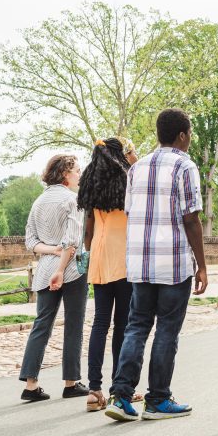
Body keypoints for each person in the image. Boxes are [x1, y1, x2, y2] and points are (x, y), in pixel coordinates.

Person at [105, 108, 208, 422]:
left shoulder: (138, 167)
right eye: (189, 134)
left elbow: (130, 211)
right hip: (173, 262)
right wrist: (202, 265)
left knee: (137, 326)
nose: (190, 139)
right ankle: (158, 399)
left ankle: (120, 396)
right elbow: (191, 218)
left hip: (140, 260)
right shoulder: (184, 165)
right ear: (181, 135)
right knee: (166, 330)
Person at [77, 136, 142, 412]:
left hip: (100, 256)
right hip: (124, 255)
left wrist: (89, 251)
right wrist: (133, 156)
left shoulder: (91, 182)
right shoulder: (128, 180)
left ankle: (94, 389)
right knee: (123, 324)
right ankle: (120, 385)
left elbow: (88, 229)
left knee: (100, 322)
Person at [19, 154, 89, 402]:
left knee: (41, 325)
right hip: (70, 270)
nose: (80, 175)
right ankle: (71, 382)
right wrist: (61, 265)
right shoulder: (73, 200)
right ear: (65, 173)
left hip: (44, 270)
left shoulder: (38, 202)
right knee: (74, 324)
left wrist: (51, 251)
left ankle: (30, 384)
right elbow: (71, 241)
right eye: (77, 171)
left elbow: (31, 242)